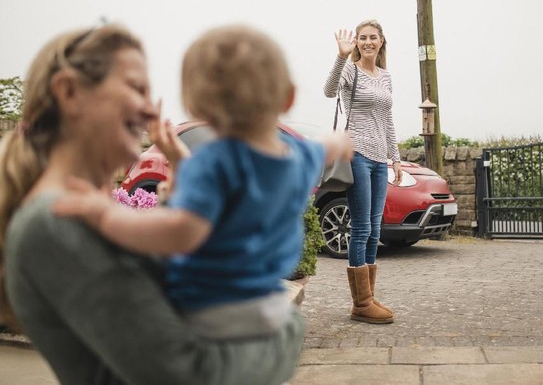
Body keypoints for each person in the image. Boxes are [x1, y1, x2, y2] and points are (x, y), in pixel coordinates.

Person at [0, 23, 327, 385]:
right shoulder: (54, 223)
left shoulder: (79, 212)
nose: (147, 109)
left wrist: (186, 188)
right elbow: (189, 374)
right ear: (70, 91)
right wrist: (289, 328)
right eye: (137, 88)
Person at [53, 23, 352, 341]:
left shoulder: (212, 164)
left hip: (210, 312)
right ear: (288, 98)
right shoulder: (298, 156)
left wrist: (105, 215)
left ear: (193, 105)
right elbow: (326, 148)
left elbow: (180, 232)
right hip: (267, 308)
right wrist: (339, 141)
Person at [323, 19, 402, 324]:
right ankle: (361, 303)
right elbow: (329, 91)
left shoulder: (385, 76)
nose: (368, 42)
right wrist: (342, 56)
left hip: (380, 159)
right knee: (361, 229)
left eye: (373, 37)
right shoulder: (350, 69)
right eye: (362, 38)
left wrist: (395, 158)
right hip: (356, 154)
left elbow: (388, 120)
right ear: (356, 42)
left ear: (382, 41)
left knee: (375, 229)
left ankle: (367, 297)